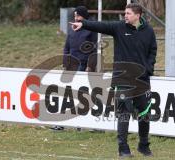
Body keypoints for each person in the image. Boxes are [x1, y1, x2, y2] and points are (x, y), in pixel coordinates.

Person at [70, 3, 157, 158]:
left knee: (144, 114)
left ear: (138, 15)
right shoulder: (119, 27)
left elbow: (152, 50)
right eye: (125, 13)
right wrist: (83, 24)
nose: (125, 15)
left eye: (128, 13)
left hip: (142, 80)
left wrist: (148, 68)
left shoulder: (149, 31)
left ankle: (143, 145)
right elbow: (100, 25)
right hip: (122, 78)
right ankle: (123, 149)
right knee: (124, 113)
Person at [51, 6, 97, 131]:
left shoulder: (91, 30)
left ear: (84, 16)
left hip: (83, 65)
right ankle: (60, 122)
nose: (76, 18)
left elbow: (94, 49)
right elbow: (66, 47)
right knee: (66, 93)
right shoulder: (72, 30)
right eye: (75, 15)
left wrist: (90, 66)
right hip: (71, 65)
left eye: (78, 15)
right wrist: (65, 62)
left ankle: (83, 124)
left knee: (82, 95)